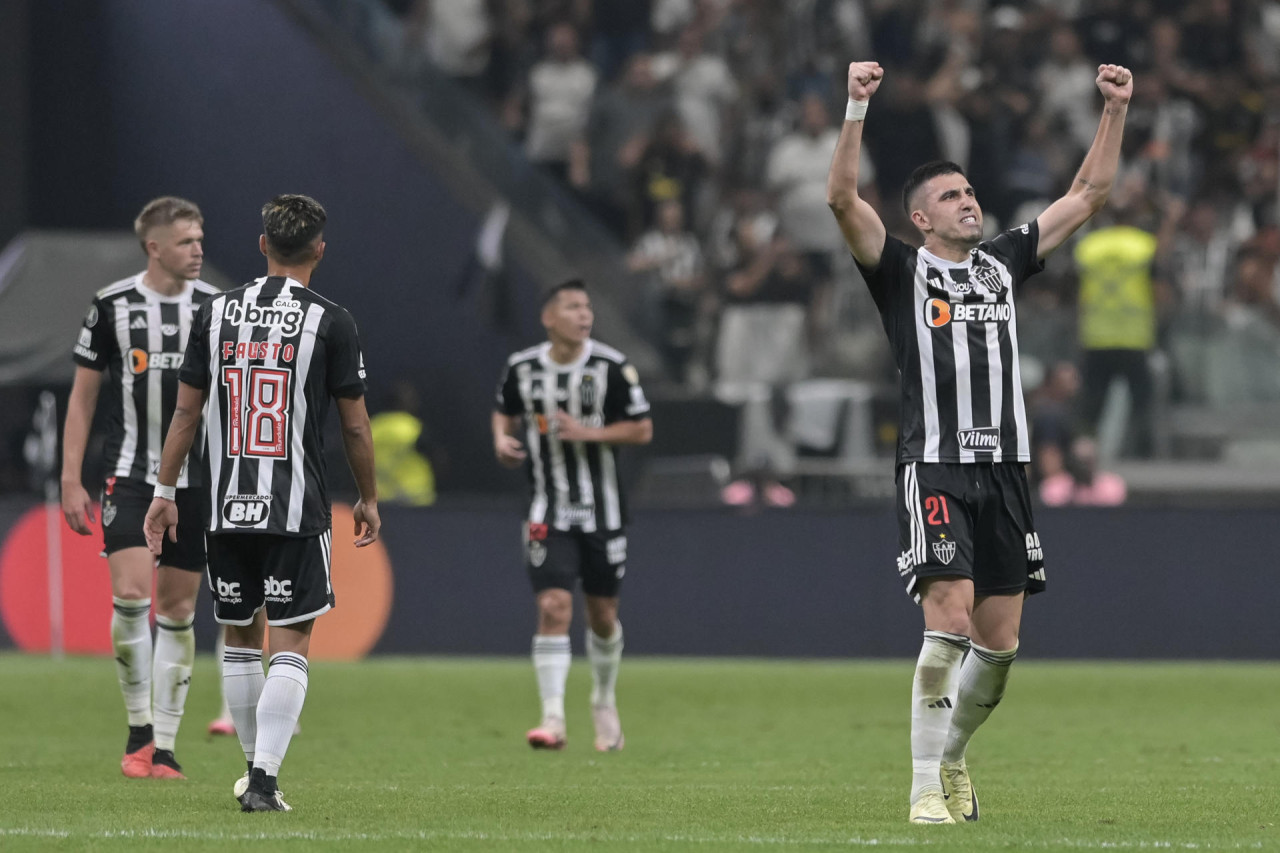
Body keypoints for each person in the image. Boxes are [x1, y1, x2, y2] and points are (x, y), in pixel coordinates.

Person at [827, 60, 1133, 824]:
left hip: (1005, 471)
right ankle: (923, 784)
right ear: (921, 219)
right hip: (934, 465)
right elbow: (840, 198)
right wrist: (856, 107)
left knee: (997, 651)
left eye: (969, 192)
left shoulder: (1000, 265)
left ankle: (954, 753)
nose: (970, 202)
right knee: (948, 617)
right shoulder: (900, 272)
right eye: (951, 197)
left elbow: (1089, 194)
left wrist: (1115, 111)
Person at [144, 194, 380, 812]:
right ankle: (266, 780)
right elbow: (355, 427)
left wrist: (164, 493)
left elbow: (186, 414)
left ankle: (254, 773)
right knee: (291, 642)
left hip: (225, 507)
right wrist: (370, 497)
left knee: (241, 638)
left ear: (261, 246)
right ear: (320, 252)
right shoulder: (332, 321)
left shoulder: (215, 313)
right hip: (294, 507)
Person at [61, 196, 218, 780]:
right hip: (128, 474)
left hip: (196, 481)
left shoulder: (217, 308)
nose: (198, 249)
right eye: (185, 241)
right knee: (131, 598)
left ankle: (168, 748)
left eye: (200, 238)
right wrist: (69, 478)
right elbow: (83, 397)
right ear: (154, 247)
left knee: (179, 609)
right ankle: (139, 733)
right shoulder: (113, 306)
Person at [492, 279, 653, 752]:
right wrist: (501, 440)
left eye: (588, 306)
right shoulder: (522, 368)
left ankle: (603, 699)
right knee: (552, 606)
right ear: (549, 318)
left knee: (602, 615)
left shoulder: (612, 367)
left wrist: (588, 433)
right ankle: (553, 718)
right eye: (573, 307)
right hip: (547, 511)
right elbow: (504, 409)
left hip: (603, 513)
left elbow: (642, 429)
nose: (585, 314)